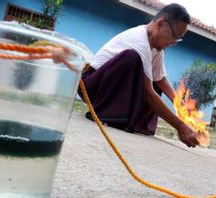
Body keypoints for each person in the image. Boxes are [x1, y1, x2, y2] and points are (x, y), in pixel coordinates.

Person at [78, 3, 199, 148]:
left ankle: (136, 123)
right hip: (91, 85)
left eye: (178, 39)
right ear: (160, 24)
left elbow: (160, 79)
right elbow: (148, 93)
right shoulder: (139, 41)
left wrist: (182, 106)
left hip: (106, 84)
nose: (174, 42)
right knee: (131, 58)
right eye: (174, 36)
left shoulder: (157, 49)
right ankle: (103, 113)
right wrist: (181, 126)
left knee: (153, 80)